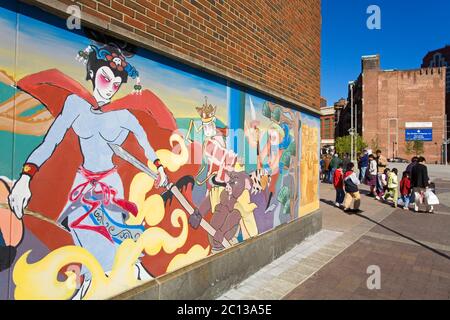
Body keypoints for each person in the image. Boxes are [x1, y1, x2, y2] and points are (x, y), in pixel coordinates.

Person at [7, 44, 169, 298]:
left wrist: (159, 167)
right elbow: (50, 142)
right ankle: (90, 284)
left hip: (110, 186)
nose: (110, 86)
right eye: (105, 78)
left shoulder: (123, 115)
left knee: (110, 240)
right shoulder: (75, 105)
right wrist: (25, 177)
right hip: (82, 185)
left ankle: (118, 281)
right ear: (92, 73)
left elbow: (146, 144)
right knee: (82, 237)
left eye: (116, 83)